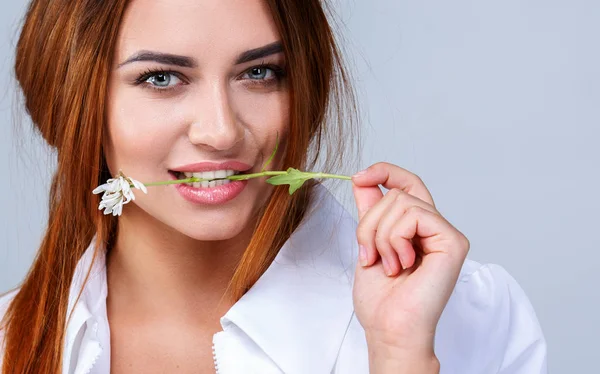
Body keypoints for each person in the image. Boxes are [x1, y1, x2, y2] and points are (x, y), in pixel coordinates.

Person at [0, 0, 547, 373]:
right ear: (70, 105)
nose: (221, 131)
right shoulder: (9, 342)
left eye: (258, 73)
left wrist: (400, 357)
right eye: (161, 78)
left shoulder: (465, 316)